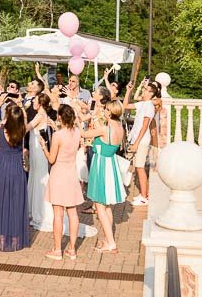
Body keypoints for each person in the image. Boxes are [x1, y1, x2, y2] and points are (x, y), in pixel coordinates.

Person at [0, 94, 30, 252]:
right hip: (17, 170)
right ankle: (15, 238)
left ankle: (0, 238)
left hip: (2, 168)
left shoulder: (0, 128)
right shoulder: (23, 130)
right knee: (15, 203)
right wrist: (21, 105)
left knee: (0, 202)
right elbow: (26, 119)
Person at [81, 100, 127, 253]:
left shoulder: (105, 129)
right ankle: (108, 238)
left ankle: (111, 243)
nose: (104, 111)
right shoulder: (119, 128)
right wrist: (95, 118)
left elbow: (84, 134)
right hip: (111, 164)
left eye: (106, 109)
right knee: (107, 207)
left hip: (101, 165)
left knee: (100, 206)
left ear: (110, 112)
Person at [40, 104, 85, 260]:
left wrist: (43, 146)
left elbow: (52, 159)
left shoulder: (57, 136)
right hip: (71, 175)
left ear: (59, 117)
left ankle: (57, 249)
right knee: (73, 214)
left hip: (58, 175)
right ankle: (72, 249)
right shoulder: (77, 132)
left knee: (58, 214)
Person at [123, 79, 160, 206]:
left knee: (140, 167)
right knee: (139, 167)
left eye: (146, 90)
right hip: (138, 140)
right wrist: (128, 91)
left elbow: (145, 126)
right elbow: (125, 106)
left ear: (151, 94)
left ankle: (144, 197)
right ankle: (144, 194)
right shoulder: (142, 104)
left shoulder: (149, 106)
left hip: (142, 141)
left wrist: (137, 143)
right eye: (144, 89)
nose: (144, 91)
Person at [26, 93, 56, 230]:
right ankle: (33, 210)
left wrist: (22, 111)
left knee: (39, 177)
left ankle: (39, 212)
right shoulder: (44, 115)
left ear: (41, 104)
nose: (33, 102)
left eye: (35, 101)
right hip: (36, 151)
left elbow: (25, 129)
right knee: (35, 176)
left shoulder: (39, 116)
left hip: (39, 151)